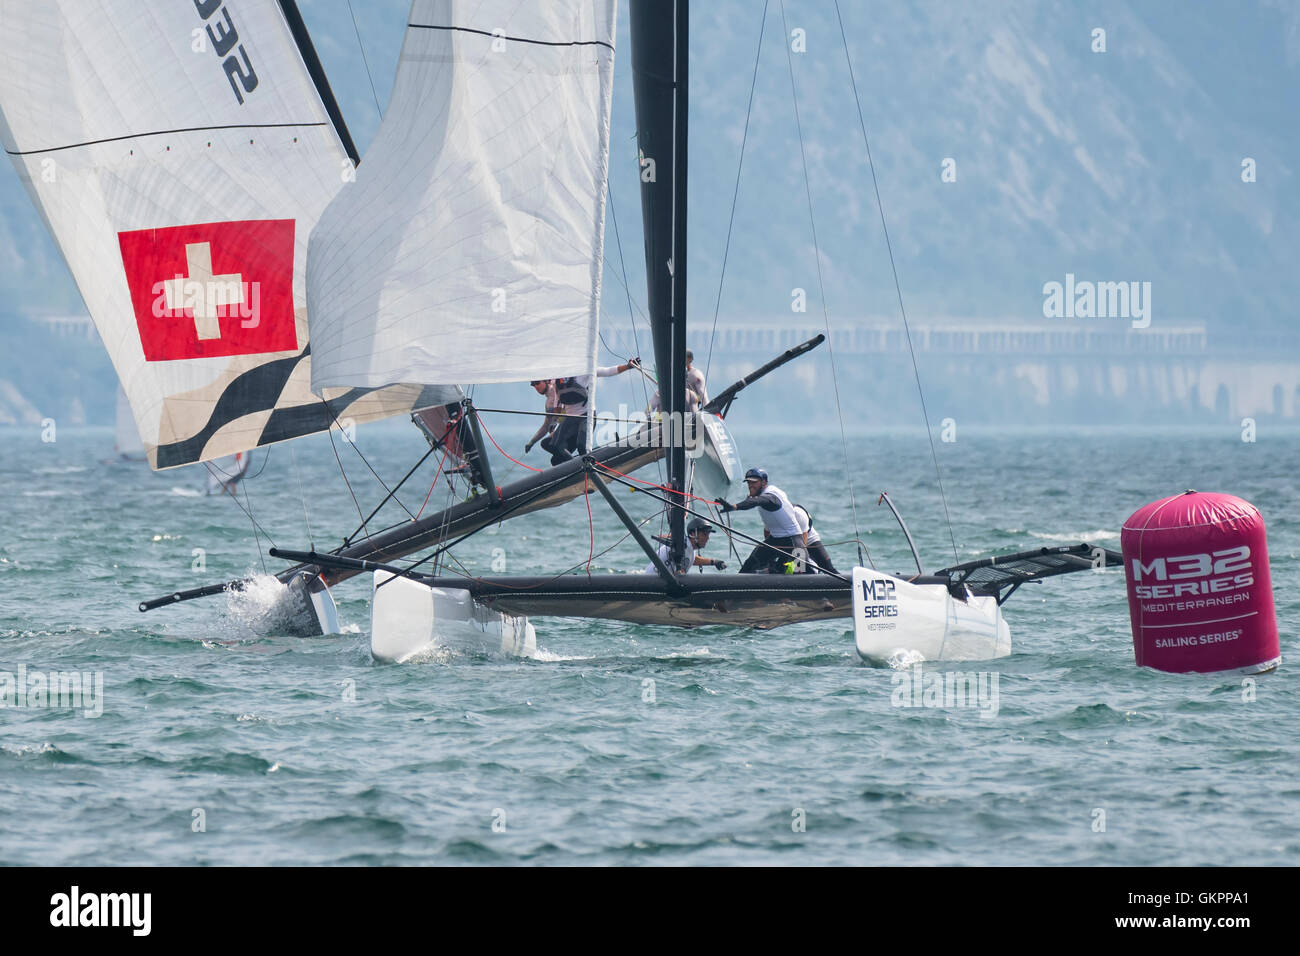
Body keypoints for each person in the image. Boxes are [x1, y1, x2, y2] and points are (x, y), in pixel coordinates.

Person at [539, 359, 639, 466]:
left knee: (582, 446)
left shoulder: (584, 373)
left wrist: (628, 366)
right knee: (556, 446)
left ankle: (585, 466)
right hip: (570, 418)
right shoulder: (556, 380)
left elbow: (608, 371)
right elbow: (557, 401)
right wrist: (554, 422)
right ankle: (575, 466)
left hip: (586, 416)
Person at [717, 467, 804, 573]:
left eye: (754, 482)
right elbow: (752, 501)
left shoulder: (771, 496)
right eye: (748, 482)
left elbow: (756, 502)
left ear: (763, 482)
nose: (750, 486)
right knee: (748, 567)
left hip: (793, 542)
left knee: (798, 572)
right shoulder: (759, 495)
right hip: (775, 540)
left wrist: (734, 507)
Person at [643, 518, 726, 574]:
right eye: (705, 534)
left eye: (708, 534)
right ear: (693, 534)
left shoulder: (688, 547)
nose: (707, 538)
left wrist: (714, 562)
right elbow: (679, 574)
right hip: (653, 588)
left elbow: (692, 559)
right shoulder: (681, 545)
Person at [792, 503, 837, 574]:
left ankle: (848, 584)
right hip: (790, 544)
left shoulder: (798, 513)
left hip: (810, 540)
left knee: (828, 568)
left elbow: (803, 544)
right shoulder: (774, 515)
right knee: (794, 570)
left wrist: (800, 563)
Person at [524, 380, 561, 455]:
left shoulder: (557, 391)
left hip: (568, 428)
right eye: (533, 384)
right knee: (554, 460)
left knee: (546, 443)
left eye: (537, 383)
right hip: (560, 433)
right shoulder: (547, 403)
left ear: (546, 381)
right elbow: (546, 426)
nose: (536, 386)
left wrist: (555, 424)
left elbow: (566, 411)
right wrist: (531, 442)